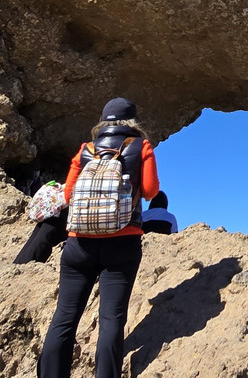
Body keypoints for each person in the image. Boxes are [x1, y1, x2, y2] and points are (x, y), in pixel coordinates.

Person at [38, 98, 159, 378]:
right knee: (111, 320)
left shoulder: (85, 150)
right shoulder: (140, 146)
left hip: (79, 243)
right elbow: (151, 190)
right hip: (122, 243)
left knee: (64, 317)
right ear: (132, 121)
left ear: (103, 121)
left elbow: (68, 196)